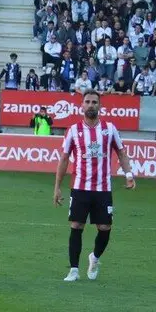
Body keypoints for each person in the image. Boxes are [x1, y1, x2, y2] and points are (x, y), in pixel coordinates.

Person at [53, 91, 136, 281]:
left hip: (103, 188)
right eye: (88, 102)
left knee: (105, 227)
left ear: (100, 106)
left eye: (94, 102)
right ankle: (74, 269)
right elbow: (64, 159)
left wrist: (129, 175)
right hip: (80, 187)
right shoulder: (73, 130)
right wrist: (57, 187)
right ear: (81, 106)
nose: (91, 105)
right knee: (76, 225)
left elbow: (122, 153)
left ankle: (95, 258)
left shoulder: (109, 128)